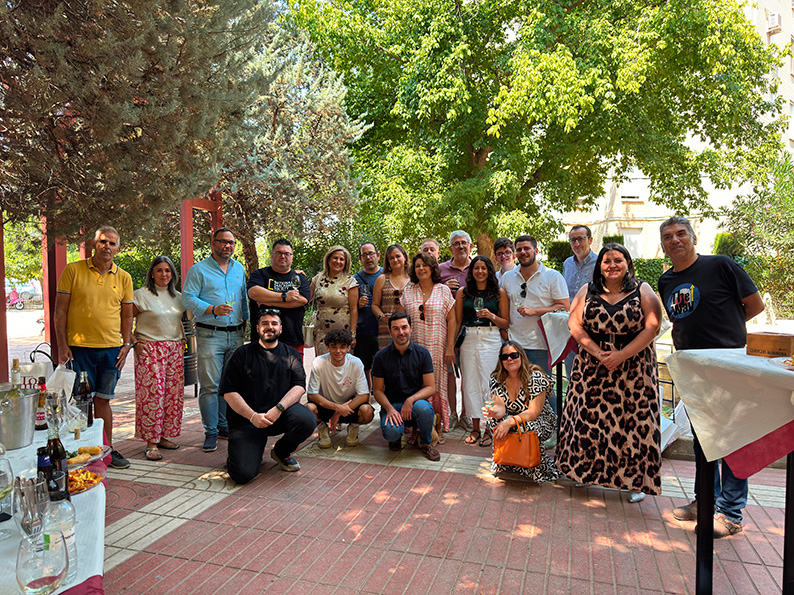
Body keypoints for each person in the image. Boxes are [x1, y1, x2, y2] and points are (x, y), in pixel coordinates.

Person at [658, 215, 764, 537]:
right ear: (662, 245)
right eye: (667, 236)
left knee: (732, 439)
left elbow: (755, 306)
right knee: (705, 439)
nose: (674, 240)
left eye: (680, 234)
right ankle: (705, 500)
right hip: (692, 370)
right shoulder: (666, 282)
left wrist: (725, 333)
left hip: (730, 366)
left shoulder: (721, 265)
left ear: (693, 237)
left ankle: (730, 513)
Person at [556, 243, 663, 502]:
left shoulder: (642, 289)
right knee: (587, 420)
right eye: (606, 261)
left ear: (628, 263)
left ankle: (635, 482)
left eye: (618, 260)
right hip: (593, 365)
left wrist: (621, 355)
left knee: (634, 422)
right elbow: (574, 323)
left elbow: (653, 326)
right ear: (599, 266)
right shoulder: (586, 291)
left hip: (634, 367)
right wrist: (597, 352)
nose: (612, 265)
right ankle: (583, 472)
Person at [54, 226, 134, 469]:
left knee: (103, 401)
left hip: (111, 351)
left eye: (112, 243)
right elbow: (60, 312)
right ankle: (80, 450)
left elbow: (127, 316)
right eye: (102, 242)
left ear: (118, 249)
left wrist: (127, 344)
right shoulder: (73, 270)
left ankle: (106, 450)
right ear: (93, 244)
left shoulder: (124, 277)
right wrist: (62, 345)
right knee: (80, 403)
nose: (106, 246)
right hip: (79, 349)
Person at [220, 309, 316, 484]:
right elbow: (228, 392)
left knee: (306, 419)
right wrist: (252, 416)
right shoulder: (242, 354)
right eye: (265, 323)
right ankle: (240, 449)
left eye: (274, 324)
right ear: (257, 328)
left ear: (280, 328)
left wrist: (278, 409)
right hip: (247, 420)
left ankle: (281, 452)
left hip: (277, 416)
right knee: (242, 475)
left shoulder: (291, 354)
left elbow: (299, 386)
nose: (269, 327)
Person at [182, 228, 249, 453]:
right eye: (223, 242)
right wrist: (211, 309)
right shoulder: (198, 270)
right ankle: (210, 431)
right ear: (213, 243)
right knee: (210, 386)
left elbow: (243, 298)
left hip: (236, 333)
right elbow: (187, 298)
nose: (227, 246)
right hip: (210, 333)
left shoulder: (238, 268)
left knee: (229, 384)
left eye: (231, 243)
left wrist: (245, 322)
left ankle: (224, 426)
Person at [500, 235, 569, 445]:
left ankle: (554, 430)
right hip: (515, 345)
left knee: (543, 390)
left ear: (536, 250)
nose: (522, 252)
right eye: (518, 249)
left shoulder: (552, 276)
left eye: (526, 249)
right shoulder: (508, 277)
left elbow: (565, 306)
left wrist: (536, 311)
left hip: (541, 344)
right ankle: (526, 431)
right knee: (518, 390)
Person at [132, 256, 185, 461]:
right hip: (150, 349)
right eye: (159, 270)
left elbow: (177, 320)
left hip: (174, 349)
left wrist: (182, 340)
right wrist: (133, 343)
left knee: (172, 395)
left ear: (173, 274)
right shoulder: (141, 295)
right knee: (152, 396)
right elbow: (125, 320)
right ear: (152, 273)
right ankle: (151, 442)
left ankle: (164, 436)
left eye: (168, 271)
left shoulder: (178, 297)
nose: (164, 274)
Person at [483, 341, 560, 482]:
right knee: (493, 420)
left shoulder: (535, 377)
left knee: (526, 426)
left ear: (521, 356)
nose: (509, 359)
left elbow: (533, 412)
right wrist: (493, 412)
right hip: (512, 417)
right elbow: (501, 408)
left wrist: (509, 422)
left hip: (540, 419)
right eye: (505, 357)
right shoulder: (497, 378)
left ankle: (533, 465)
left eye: (513, 355)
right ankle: (505, 459)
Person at [400, 253, 456, 443]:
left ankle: (437, 426)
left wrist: (450, 347)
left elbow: (452, 320)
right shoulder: (408, 291)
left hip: (437, 346)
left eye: (425, 265)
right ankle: (417, 426)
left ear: (433, 268)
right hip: (413, 347)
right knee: (415, 385)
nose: (421, 269)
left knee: (437, 385)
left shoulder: (443, 290)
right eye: (417, 266)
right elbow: (401, 320)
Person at [454, 256, 509, 446]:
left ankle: (489, 428)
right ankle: (475, 427)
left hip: (491, 338)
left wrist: (491, 315)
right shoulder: (463, 292)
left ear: (489, 271)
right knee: (470, 384)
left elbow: (506, 323)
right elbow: (458, 319)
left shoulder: (499, 293)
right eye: (476, 268)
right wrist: (451, 346)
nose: (479, 271)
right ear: (471, 271)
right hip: (469, 338)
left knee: (489, 384)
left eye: (483, 268)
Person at [371, 312, 440, 461]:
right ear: (390, 331)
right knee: (391, 433)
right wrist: (389, 409)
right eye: (396, 329)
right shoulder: (381, 357)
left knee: (423, 408)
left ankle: (426, 443)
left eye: (404, 327)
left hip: (416, 405)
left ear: (411, 328)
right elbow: (377, 391)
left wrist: (411, 400)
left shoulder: (423, 354)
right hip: (393, 406)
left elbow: (430, 388)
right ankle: (396, 435)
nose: (401, 332)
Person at [306, 329, 373, 448]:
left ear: (348, 348)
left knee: (367, 411)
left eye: (342, 347)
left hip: (349, 406)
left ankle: (353, 425)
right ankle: (322, 427)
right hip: (326, 405)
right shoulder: (319, 362)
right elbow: (312, 395)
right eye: (333, 347)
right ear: (327, 348)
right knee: (308, 409)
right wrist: (336, 407)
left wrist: (338, 413)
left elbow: (364, 395)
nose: (338, 351)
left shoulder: (356, 363)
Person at [247, 239, 311, 356]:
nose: (283, 256)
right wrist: (284, 297)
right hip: (263, 340)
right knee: (262, 374)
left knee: (293, 374)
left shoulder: (299, 277)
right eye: (278, 253)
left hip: (293, 341)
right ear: (272, 255)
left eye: (287, 253)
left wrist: (270, 302)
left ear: (291, 257)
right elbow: (253, 292)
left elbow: (302, 300)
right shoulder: (260, 274)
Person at [438, 230, 474, 431]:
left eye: (464, 243)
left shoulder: (478, 267)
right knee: (450, 373)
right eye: (456, 243)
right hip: (447, 329)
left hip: (471, 329)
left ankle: (467, 414)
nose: (460, 246)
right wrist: (444, 285)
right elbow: (431, 290)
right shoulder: (441, 269)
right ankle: (452, 413)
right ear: (450, 248)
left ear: (470, 246)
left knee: (469, 374)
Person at [562, 225, 598, 379]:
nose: (576, 243)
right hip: (571, 326)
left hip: (592, 326)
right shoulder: (567, 263)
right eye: (572, 240)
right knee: (572, 374)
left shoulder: (600, 263)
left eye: (580, 239)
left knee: (592, 374)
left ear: (590, 240)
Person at [310, 246, 359, 355]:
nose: (338, 261)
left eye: (342, 259)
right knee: (322, 366)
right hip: (321, 333)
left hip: (343, 333)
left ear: (345, 263)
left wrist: (353, 334)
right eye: (335, 258)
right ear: (328, 259)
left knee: (342, 367)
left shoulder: (350, 281)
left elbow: (354, 310)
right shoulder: (318, 279)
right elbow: (306, 299)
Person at [353, 242, 383, 389]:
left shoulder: (386, 275)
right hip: (363, 331)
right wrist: (357, 304)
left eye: (371, 253)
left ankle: (384, 396)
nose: (368, 257)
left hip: (384, 331)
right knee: (364, 367)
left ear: (378, 255)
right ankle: (367, 397)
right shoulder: (355, 279)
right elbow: (349, 306)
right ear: (360, 259)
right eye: (364, 255)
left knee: (384, 366)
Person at [372, 244, 409, 350]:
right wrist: (381, 316)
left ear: (404, 257)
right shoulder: (382, 279)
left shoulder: (414, 280)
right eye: (391, 258)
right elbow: (374, 305)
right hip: (386, 330)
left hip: (407, 330)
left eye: (398, 256)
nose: (395, 260)